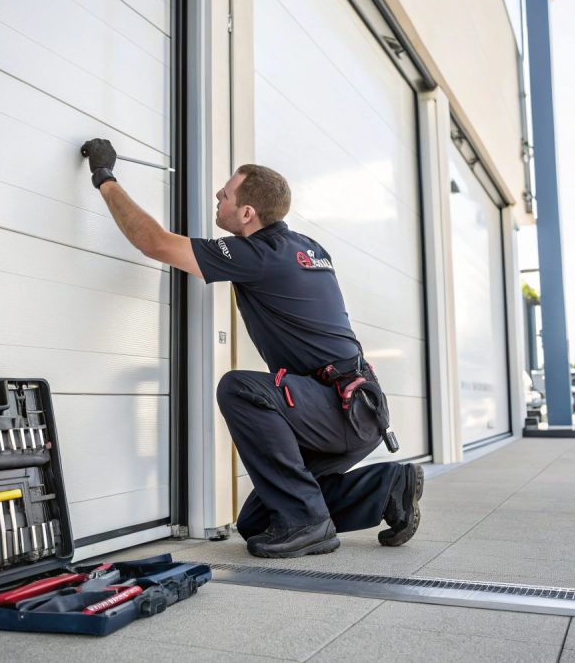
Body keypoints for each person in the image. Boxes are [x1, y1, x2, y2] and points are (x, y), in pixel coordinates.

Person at [80, 138, 423, 558]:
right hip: (357, 408)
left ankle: (307, 523)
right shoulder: (308, 248)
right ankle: (387, 488)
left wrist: (105, 178)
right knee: (256, 522)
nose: (217, 198)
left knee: (239, 387)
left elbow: (154, 242)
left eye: (225, 195)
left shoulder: (260, 254)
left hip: (338, 409)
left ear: (247, 213)